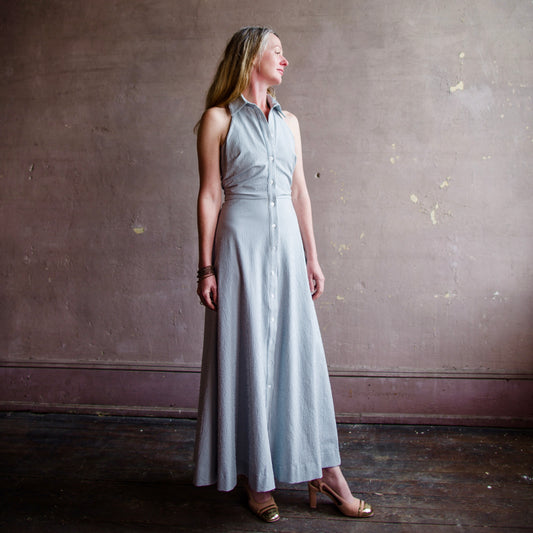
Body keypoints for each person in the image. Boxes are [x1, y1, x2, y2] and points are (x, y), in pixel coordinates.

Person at [193, 26, 373, 522]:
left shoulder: (290, 122)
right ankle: (257, 478)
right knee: (247, 352)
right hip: (239, 245)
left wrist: (313, 257)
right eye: (277, 51)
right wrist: (205, 267)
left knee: (299, 356)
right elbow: (209, 195)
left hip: (288, 248)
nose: (285, 60)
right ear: (251, 58)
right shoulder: (217, 120)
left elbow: (299, 195)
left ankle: (325, 470)